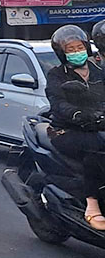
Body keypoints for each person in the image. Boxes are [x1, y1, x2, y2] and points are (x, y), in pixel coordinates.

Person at [45, 24, 105, 230]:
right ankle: (92, 204)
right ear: (62, 53)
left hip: (96, 125)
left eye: (79, 47)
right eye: (70, 50)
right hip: (66, 131)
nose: (76, 52)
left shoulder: (98, 70)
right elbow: (59, 103)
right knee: (97, 147)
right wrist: (77, 114)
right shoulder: (56, 75)